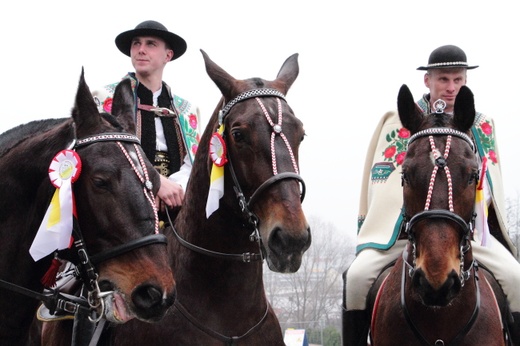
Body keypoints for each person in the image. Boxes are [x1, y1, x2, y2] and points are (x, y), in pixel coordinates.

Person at [342, 45, 520, 346]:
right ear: (428, 80)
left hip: (468, 235)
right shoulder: (399, 122)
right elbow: (384, 182)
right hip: (399, 234)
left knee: (516, 280)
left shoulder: (481, 125)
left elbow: (490, 184)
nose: (451, 88)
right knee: (357, 279)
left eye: (458, 80)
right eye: (443, 79)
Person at [92, 20, 201, 212]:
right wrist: (156, 183)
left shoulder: (187, 110)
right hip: (121, 206)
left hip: (177, 204)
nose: (141, 49)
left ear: (168, 55)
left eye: (151, 44)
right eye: (136, 43)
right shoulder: (105, 98)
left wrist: (176, 188)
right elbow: (103, 157)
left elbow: (193, 162)